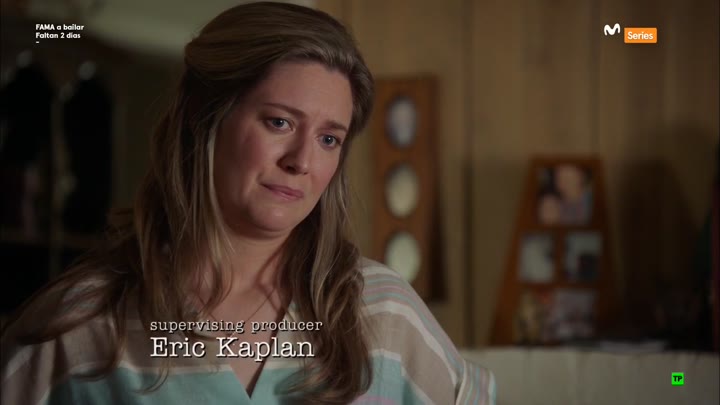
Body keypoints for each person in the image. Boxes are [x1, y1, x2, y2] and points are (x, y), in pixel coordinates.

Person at [1, 2, 495, 404]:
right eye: (279, 122)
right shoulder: (81, 325)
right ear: (204, 121)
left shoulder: (383, 313)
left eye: (329, 138)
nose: (302, 161)